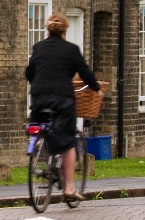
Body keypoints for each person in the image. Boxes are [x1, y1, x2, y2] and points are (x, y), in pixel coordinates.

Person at [25, 12, 99, 202]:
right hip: (62, 99)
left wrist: (39, 84)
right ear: (65, 30)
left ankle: (41, 147)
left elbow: (29, 72)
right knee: (68, 142)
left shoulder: (38, 48)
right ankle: (68, 188)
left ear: (47, 29)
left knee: (38, 127)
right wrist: (96, 88)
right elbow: (85, 73)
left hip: (39, 98)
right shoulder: (71, 49)